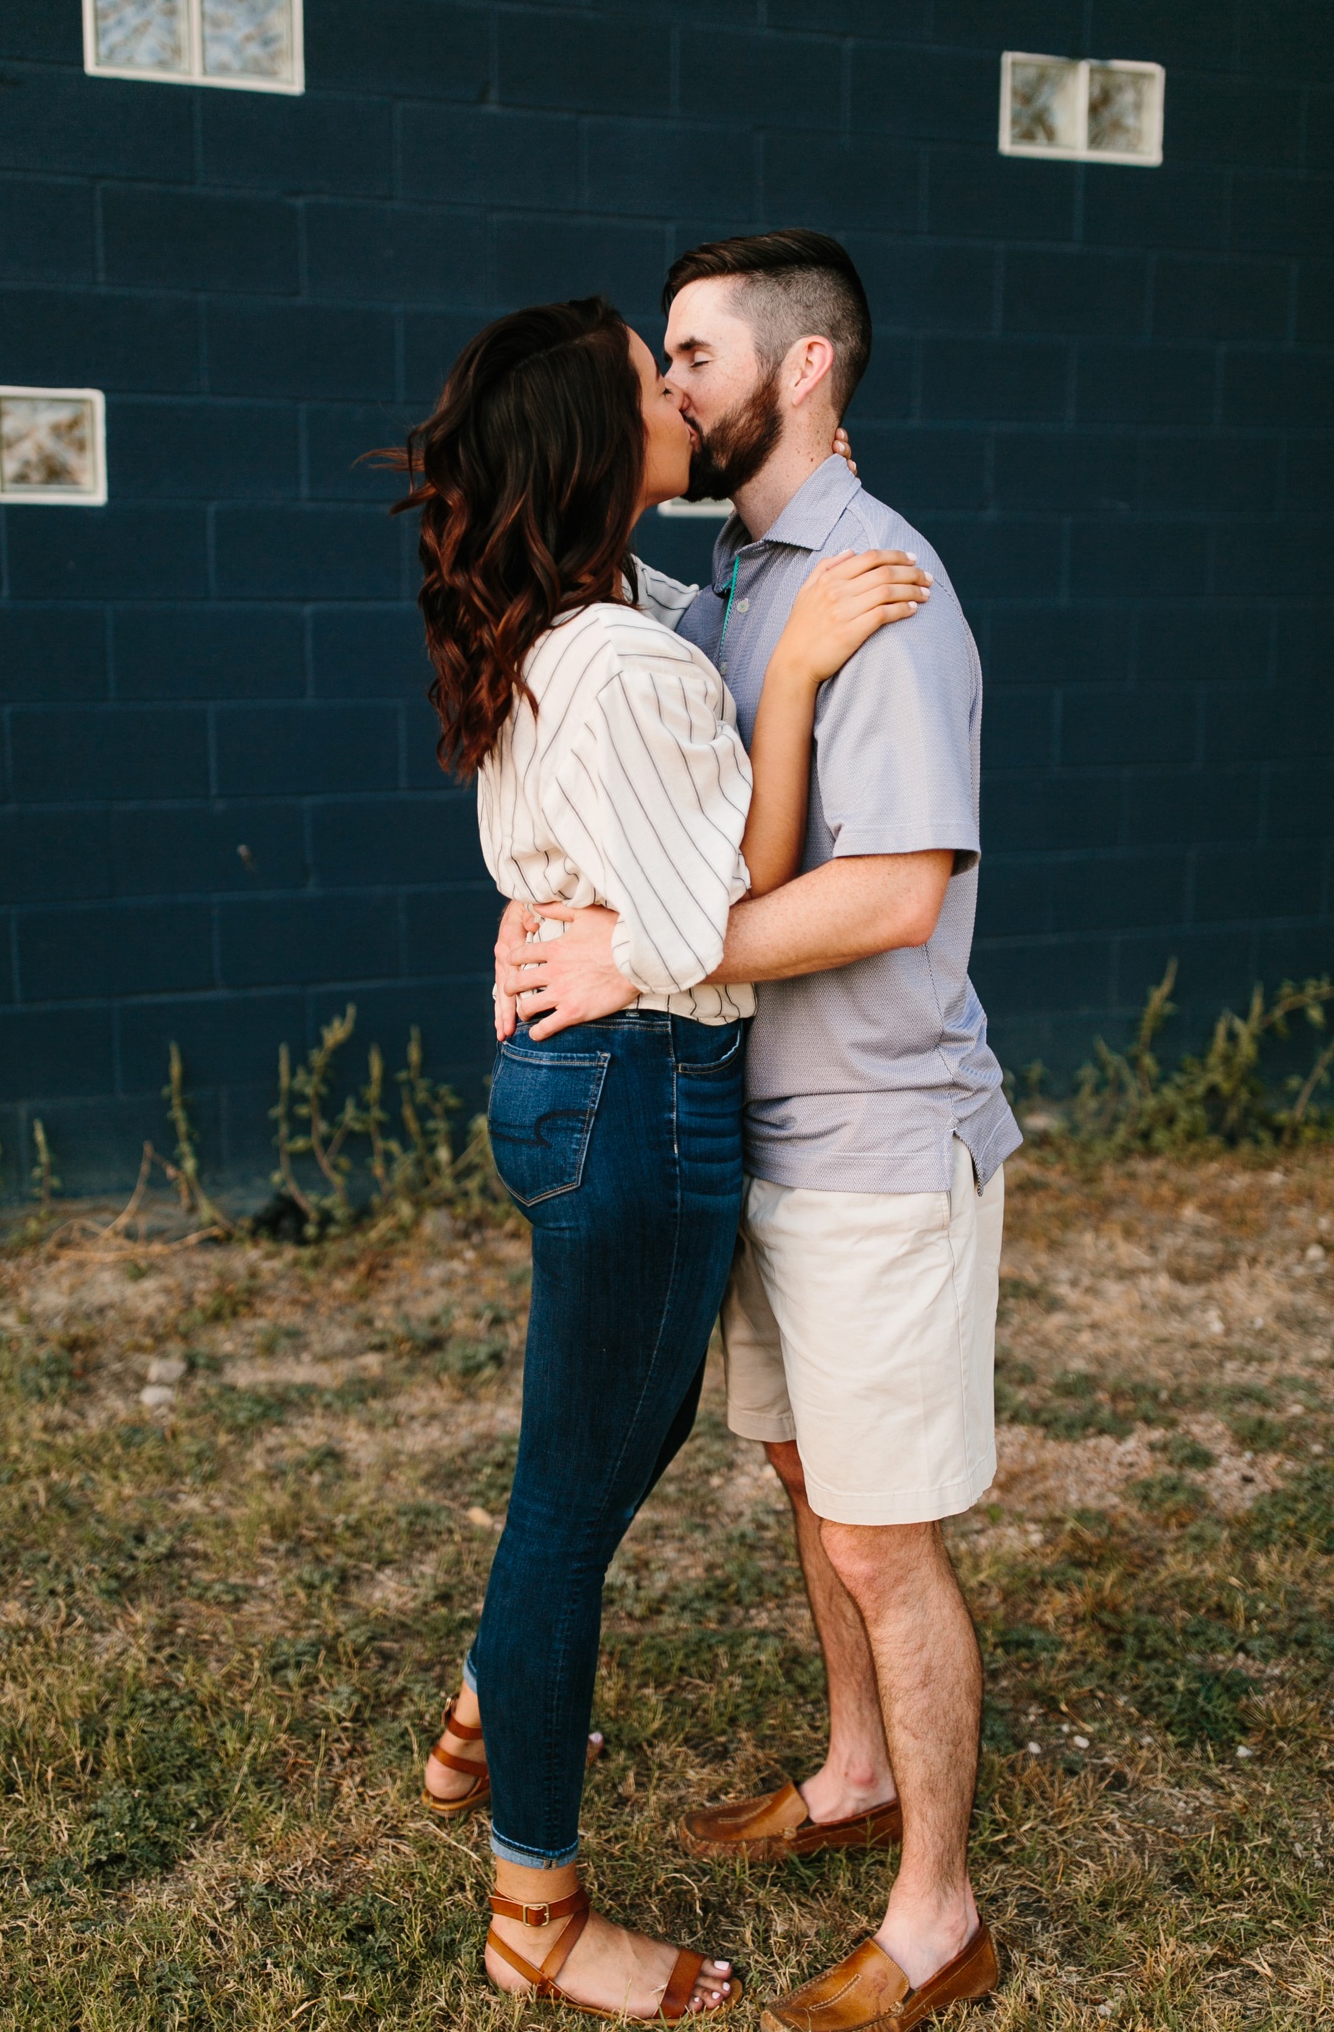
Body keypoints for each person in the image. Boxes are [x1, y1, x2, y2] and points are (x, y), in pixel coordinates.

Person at [493, 231, 1021, 2032]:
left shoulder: (880, 582)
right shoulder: (718, 579)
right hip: (751, 1132)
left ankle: (938, 1910)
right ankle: (856, 1764)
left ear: (801, 369)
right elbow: (662, 798)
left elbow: (883, 890)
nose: (677, 382)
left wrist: (637, 947)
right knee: (814, 1485)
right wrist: (562, 907)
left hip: (874, 1132)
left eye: (697, 354)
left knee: (886, 1536)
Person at [401, 292, 930, 2021]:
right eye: (650, 379)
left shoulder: (598, 609)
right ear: (595, 439)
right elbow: (719, 915)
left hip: (591, 1091)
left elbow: (621, 864)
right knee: (571, 1501)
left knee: (597, 1457)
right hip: (639, 1089)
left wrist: (805, 458)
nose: (675, 390)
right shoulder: (627, 658)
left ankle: (494, 1695)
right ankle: (538, 1912)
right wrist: (788, 685)